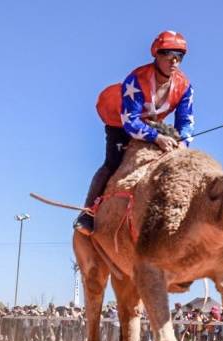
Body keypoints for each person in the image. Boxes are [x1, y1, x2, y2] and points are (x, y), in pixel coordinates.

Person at [75, 31, 195, 235]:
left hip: (152, 124)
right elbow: (130, 122)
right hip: (120, 122)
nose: (174, 61)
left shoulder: (185, 87)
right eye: (169, 54)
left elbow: (185, 122)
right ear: (157, 54)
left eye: (180, 56)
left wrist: (183, 144)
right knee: (112, 163)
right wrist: (157, 137)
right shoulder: (136, 80)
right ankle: (88, 213)